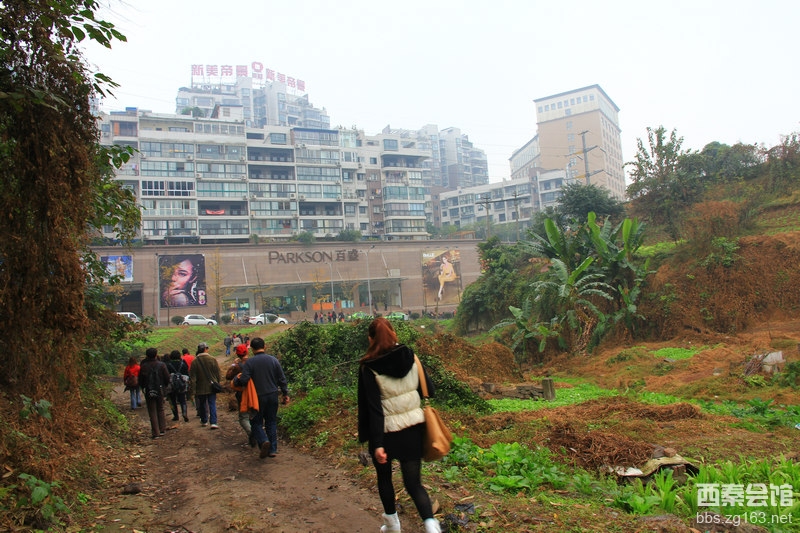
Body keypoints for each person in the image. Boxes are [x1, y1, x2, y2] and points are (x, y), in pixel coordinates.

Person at [357, 318, 441, 533]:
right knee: (414, 484)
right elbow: (429, 390)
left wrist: (376, 444)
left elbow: (373, 409)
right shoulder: (411, 356)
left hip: (385, 433)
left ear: (370, 338)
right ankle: (431, 526)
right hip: (413, 428)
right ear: (394, 334)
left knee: (385, 479)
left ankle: (393, 526)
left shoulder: (368, 367)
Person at [233, 337, 289, 459]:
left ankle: (263, 441)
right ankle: (273, 449)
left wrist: (236, 379)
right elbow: (281, 378)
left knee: (256, 422)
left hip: (256, 397)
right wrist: (285, 393)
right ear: (265, 347)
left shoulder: (250, 363)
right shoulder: (273, 360)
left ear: (252, 349)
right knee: (271, 421)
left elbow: (244, 380)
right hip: (273, 395)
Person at [138, 347, 170, 439]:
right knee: (160, 408)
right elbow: (167, 378)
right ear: (156, 355)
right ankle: (162, 429)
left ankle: (155, 432)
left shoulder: (144, 366)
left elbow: (141, 380)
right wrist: (164, 386)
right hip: (159, 389)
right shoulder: (161, 365)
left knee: (152, 410)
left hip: (149, 390)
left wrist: (143, 387)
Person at [226, 343, 254, 446]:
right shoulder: (253, 362)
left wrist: (233, 365)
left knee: (243, 417)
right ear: (247, 352)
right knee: (254, 414)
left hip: (241, 393)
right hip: (254, 392)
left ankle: (252, 433)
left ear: (237, 355)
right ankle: (256, 434)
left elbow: (228, 376)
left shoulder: (237, 366)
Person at [189, 341, 221, 429]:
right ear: (206, 349)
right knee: (212, 403)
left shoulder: (194, 361)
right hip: (211, 386)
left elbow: (193, 377)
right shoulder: (212, 359)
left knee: (202, 404)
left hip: (200, 387)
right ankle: (213, 422)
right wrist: (217, 382)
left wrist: (193, 389)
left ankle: (204, 420)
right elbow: (218, 373)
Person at [165, 349, 190, 422]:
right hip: (181, 384)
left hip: (171, 384)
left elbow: (166, 375)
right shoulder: (182, 362)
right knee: (182, 400)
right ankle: (184, 413)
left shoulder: (168, 364)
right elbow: (186, 371)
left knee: (172, 400)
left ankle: (176, 416)